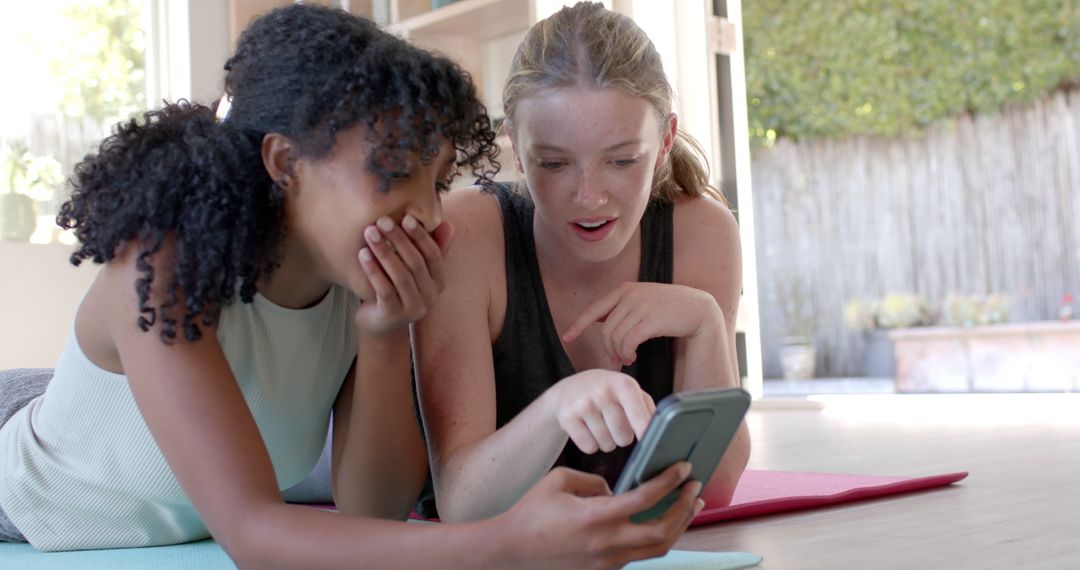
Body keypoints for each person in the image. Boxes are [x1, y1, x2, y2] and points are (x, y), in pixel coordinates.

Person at [0, 5, 702, 567]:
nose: (429, 215)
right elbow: (256, 536)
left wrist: (384, 329)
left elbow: (371, 513)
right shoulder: (159, 268)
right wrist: (506, 545)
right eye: (394, 175)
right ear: (284, 161)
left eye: (438, 180)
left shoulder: (355, 283)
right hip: (25, 490)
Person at [413, 1, 751, 523]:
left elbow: (718, 485)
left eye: (620, 161)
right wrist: (558, 407)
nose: (589, 196)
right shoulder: (467, 234)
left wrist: (705, 321)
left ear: (663, 141)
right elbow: (461, 501)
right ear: (518, 152)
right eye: (553, 163)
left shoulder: (701, 230)